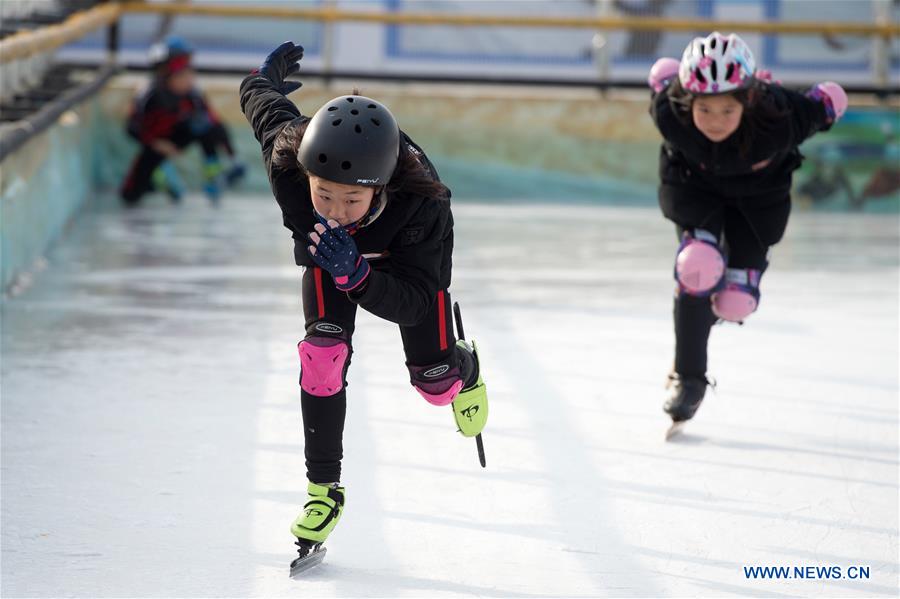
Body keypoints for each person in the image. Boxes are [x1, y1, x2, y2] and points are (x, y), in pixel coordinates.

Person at [239, 42, 489, 563]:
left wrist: (357, 274)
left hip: (400, 268)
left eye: (352, 198)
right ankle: (323, 491)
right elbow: (262, 105)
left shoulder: (423, 203)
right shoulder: (291, 161)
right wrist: (263, 75)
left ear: (380, 189)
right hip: (334, 265)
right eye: (322, 193)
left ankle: (465, 367)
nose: (335, 210)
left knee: (437, 384)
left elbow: (416, 303)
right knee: (321, 356)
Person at [647, 32, 847, 425]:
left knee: (735, 301)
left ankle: (704, 312)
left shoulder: (781, 118)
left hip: (759, 202)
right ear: (689, 101)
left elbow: (825, 104)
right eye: (704, 110)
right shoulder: (671, 111)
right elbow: (663, 79)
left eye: (727, 110)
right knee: (697, 267)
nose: (715, 122)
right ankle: (688, 379)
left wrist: (826, 102)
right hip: (696, 191)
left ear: (749, 100)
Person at [120, 36, 245, 205]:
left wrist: (233, 157)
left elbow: (215, 124)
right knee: (130, 196)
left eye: (189, 72)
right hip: (155, 146)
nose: (189, 78)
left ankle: (213, 177)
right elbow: (132, 128)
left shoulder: (192, 95)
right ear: (166, 75)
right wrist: (156, 144)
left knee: (207, 127)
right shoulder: (149, 97)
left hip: (178, 136)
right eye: (182, 74)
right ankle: (161, 176)